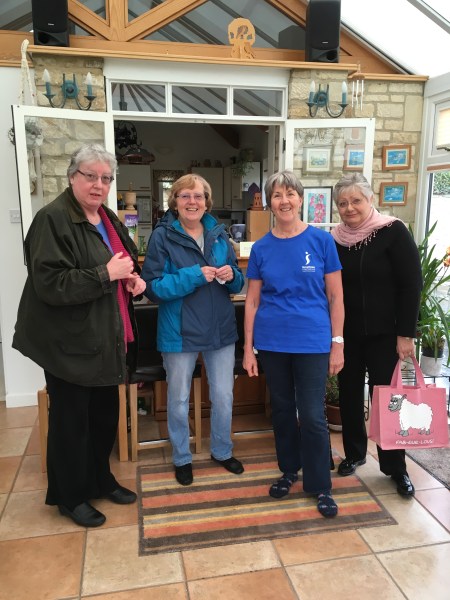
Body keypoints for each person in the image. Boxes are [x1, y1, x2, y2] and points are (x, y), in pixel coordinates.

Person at [13, 144, 146, 527]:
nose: (99, 185)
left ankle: (99, 480)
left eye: (106, 178)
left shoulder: (106, 217)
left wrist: (132, 280)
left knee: (103, 418)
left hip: (103, 340)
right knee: (71, 423)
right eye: (90, 176)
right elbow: (51, 284)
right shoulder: (52, 219)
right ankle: (70, 497)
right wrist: (107, 274)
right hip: (68, 344)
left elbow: (122, 263)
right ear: (73, 176)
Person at [243, 170, 344, 518]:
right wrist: (248, 349)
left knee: (313, 415)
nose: (283, 201)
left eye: (290, 194)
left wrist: (338, 343)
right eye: (276, 195)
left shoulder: (321, 241)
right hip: (273, 342)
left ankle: (320, 484)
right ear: (269, 203)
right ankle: (289, 470)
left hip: (313, 341)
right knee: (283, 410)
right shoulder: (261, 248)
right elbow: (252, 301)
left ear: (301, 199)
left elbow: (336, 297)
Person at [142, 173, 245, 486]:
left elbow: (237, 281)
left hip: (219, 330)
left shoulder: (219, 234)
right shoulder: (162, 237)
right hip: (179, 331)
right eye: (185, 196)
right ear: (174, 201)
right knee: (177, 400)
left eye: (198, 196)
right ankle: (181, 457)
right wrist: (195, 276)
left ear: (206, 202)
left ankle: (222, 450)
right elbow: (152, 288)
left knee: (224, 396)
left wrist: (232, 276)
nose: (192, 202)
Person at [331, 173, 422, 496]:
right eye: (343, 203)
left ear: (370, 200)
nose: (349, 208)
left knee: (388, 400)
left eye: (356, 200)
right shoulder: (335, 239)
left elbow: (411, 284)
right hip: (347, 334)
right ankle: (354, 453)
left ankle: (396, 468)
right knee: (349, 395)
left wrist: (406, 334)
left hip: (386, 334)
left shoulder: (393, 231)